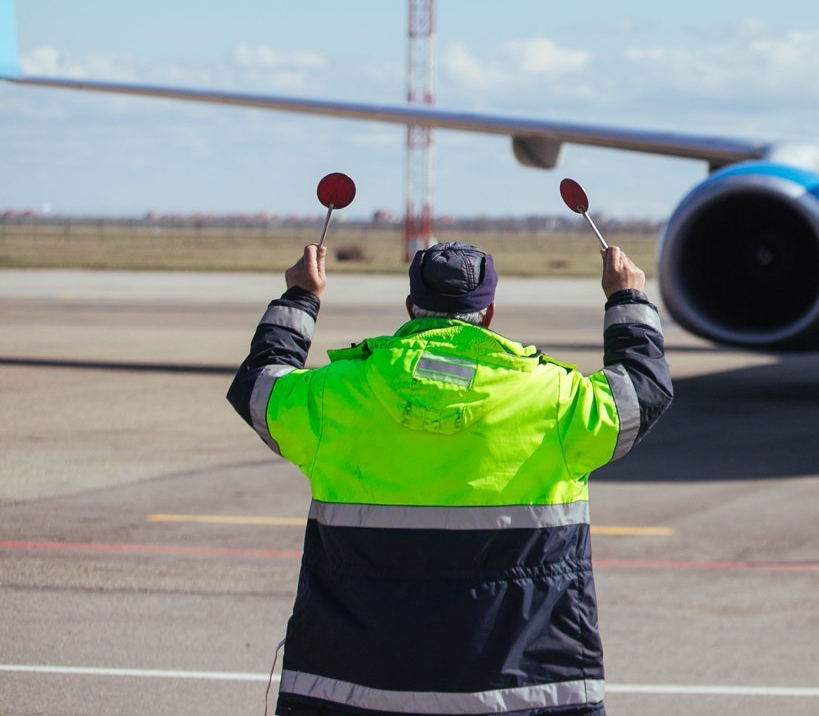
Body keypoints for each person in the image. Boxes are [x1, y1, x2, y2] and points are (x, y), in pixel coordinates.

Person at [227, 239, 673, 716]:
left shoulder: (334, 396)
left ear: (410, 306)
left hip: (355, 691)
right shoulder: (556, 401)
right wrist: (626, 299)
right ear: (490, 312)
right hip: (525, 694)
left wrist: (300, 297)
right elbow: (641, 390)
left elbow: (258, 386)